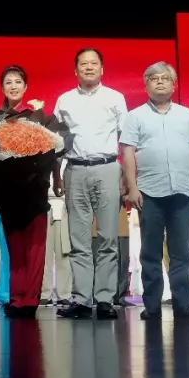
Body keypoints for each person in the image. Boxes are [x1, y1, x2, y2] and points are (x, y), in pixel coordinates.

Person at [0, 65, 70, 318]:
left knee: (35, 245)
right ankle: (16, 297)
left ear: (25, 86)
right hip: (8, 189)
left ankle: (30, 299)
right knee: (14, 245)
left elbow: (54, 150)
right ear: (2, 87)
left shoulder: (40, 119)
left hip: (34, 188)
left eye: (18, 82)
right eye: (8, 82)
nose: (13, 86)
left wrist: (54, 175)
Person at [120, 62, 189, 321]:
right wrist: (132, 187)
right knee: (150, 252)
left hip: (181, 190)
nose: (159, 82)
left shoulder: (187, 115)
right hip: (148, 192)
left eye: (165, 78)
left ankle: (183, 305)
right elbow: (128, 152)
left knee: (181, 251)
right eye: (154, 78)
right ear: (146, 85)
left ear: (173, 84)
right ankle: (152, 305)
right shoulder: (135, 116)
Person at [54, 48, 127, 320]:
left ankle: (105, 299)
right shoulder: (64, 100)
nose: (88, 67)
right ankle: (82, 299)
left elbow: (126, 139)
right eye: (83, 64)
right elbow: (56, 141)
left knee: (108, 238)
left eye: (94, 63)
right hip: (74, 169)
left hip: (107, 168)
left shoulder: (115, 98)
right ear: (75, 70)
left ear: (102, 69)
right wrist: (56, 174)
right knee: (79, 239)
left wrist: (126, 175)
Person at [41, 158, 71, 305]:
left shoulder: (67, 163)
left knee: (64, 253)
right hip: (44, 207)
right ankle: (44, 293)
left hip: (63, 208)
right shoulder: (44, 161)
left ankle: (64, 293)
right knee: (44, 254)